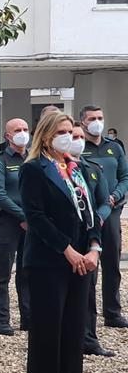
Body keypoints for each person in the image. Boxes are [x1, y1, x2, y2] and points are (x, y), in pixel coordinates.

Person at [21, 112, 102, 373]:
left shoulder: (76, 169)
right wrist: (67, 250)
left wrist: (94, 248)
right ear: (46, 136)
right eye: (63, 131)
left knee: (74, 324)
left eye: (71, 131)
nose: (69, 137)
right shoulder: (34, 170)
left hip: (83, 258)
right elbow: (37, 217)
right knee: (47, 325)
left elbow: (90, 212)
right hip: (49, 259)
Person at [77, 105, 128, 331]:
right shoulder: (79, 147)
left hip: (113, 210)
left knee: (112, 264)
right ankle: (88, 316)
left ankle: (113, 312)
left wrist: (114, 196)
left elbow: (125, 176)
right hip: (90, 214)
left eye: (100, 117)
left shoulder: (114, 148)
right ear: (83, 123)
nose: (97, 122)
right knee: (90, 264)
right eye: (92, 118)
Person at [71, 124, 116, 357]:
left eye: (79, 136)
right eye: (72, 136)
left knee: (89, 289)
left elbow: (105, 202)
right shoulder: (53, 170)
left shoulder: (94, 169)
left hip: (90, 237)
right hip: (67, 239)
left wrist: (97, 218)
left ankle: (89, 338)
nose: (77, 140)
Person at [0, 118, 31, 335]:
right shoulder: (0, 161)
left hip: (31, 224)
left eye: (25, 129)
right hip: (8, 222)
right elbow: (0, 195)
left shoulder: (33, 158)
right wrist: (22, 216)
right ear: (7, 136)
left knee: (27, 271)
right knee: (3, 271)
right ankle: (2, 320)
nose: (22, 133)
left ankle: (28, 318)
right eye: (17, 130)